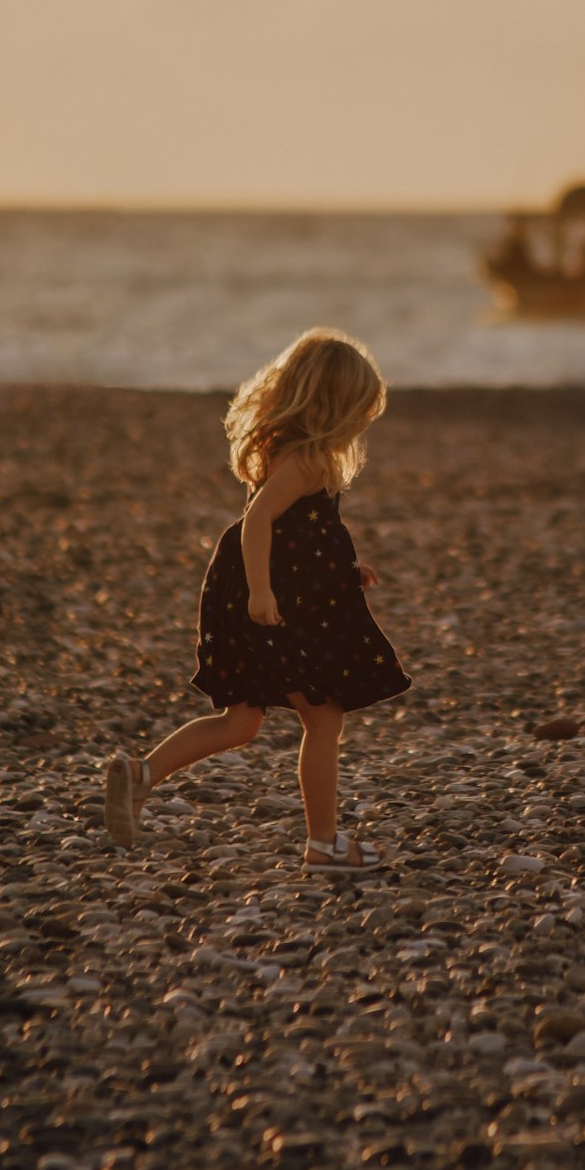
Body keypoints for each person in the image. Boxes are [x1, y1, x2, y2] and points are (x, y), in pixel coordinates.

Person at [106, 327, 411, 873]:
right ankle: (324, 845)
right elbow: (259, 522)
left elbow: (304, 534)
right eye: (361, 409)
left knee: (240, 721)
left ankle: (140, 776)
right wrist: (262, 592)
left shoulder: (291, 450)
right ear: (336, 407)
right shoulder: (307, 461)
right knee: (323, 718)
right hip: (266, 595)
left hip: (263, 588)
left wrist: (344, 570)